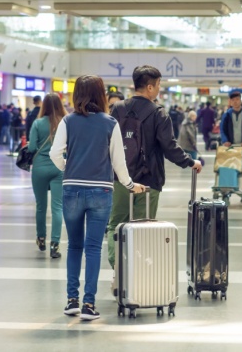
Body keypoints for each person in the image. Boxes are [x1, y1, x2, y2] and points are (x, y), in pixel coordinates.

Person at [49, 75, 146, 322]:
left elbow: (54, 153)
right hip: (101, 190)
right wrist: (129, 184)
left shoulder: (68, 121)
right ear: (101, 94)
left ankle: (71, 300)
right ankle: (89, 304)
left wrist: (68, 168)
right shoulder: (110, 123)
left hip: (72, 189)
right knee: (93, 247)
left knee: (74, 245)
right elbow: (118, 161)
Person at [107, 65, 202, 271]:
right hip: (149, 179)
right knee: (142, 227)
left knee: (116, 225)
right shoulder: (159, 113)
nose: (159, 88)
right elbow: (169, 147)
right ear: (150, 87)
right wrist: (190, 162)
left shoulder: (117, 109)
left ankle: (117, 268)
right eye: (158, 84)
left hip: (120, 177)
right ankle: (136, 273)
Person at [28, 93, 66, 259]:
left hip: (40, 168)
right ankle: (55, 245)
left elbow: (31, 147)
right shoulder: (65, 123)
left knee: (41, 206)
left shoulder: (37, 123)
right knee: (57, 207)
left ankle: (41, 238)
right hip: (59, 167)